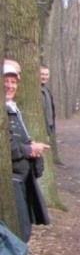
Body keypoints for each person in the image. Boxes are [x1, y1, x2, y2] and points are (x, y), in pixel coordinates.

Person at [5, 60, 50, 242]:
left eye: (13, 81)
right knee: (16, 232)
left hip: (21, 178)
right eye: (6, 81)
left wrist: (31, 145)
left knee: (23, 230)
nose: (9, 86)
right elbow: (8, 148)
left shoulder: (12, 108)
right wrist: (30, 149)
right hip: (10, 180)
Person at [40, 66, 56, 141]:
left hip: (49, 127)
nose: (44, 77)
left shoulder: (46, 90)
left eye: (46, 75)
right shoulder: (38, 91)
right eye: (42, 74)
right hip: (42, 128)